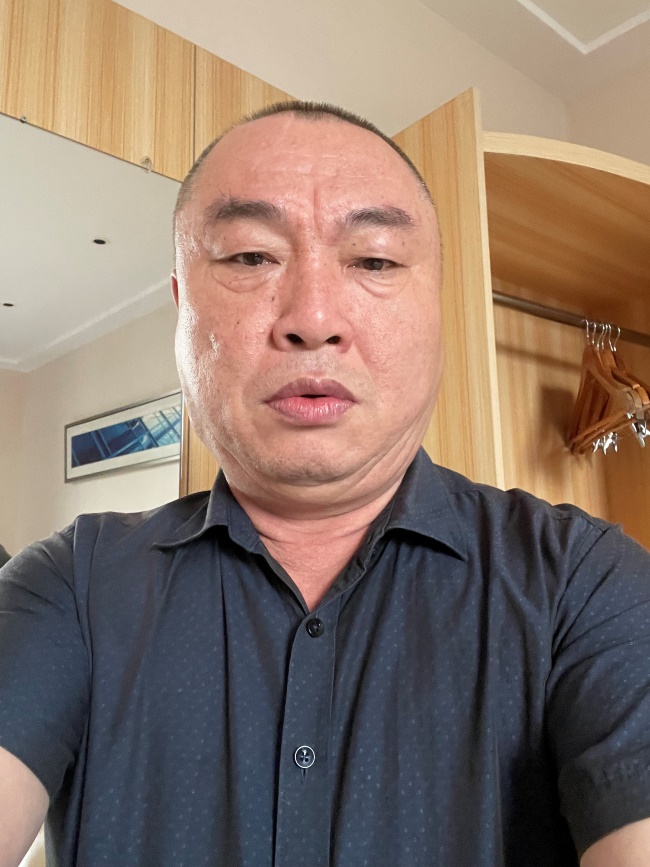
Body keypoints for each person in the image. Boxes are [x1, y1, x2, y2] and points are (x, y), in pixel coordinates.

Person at [1, 101, 650, 867]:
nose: (312, 318)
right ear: (181, 308)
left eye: (374, 261)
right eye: (250, 257)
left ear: (436, 308)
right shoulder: (70, 584)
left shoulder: (585, 582)